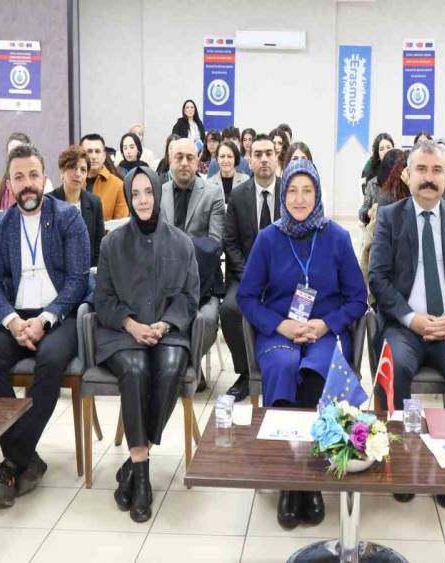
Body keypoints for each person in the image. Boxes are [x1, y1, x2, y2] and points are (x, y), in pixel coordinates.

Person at [238, 159, 366, 528]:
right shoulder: (268, 239)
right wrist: (281, 326)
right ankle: (288, 480)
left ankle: (310, 478)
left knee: (315, 371)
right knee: (283, 366)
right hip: (280, 331)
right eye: (292, 190)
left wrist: (325, 324)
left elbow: (358, 299)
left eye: (307, 190)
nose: (299, 198)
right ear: (283, 194)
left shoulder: (337, 237)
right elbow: (246, 297)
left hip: (326, 330)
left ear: (318, 193)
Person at [368, 140, 445, 510]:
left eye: (437, 171)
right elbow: (378, 278)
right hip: (405, 326)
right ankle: (400, 462)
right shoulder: (390, 216)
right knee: (395, 368)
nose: (429, 178)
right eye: (421, 169)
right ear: (407, 174)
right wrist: (412, 319)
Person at [0, 143, 90, 507]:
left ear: (45, 179)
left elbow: (78, 280)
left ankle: (11, 463)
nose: (27, 184)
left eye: (33, 175)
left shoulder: (68, 218)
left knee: (51, 361)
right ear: (9, 183)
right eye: (19, 177)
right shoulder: (0, 224)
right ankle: (27, 457)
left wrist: (44, 319)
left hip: (58, 316)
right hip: (14, 316)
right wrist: (12, 321)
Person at [95, 165, 199, 523]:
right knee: (136, 369)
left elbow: (190, 296)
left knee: (170, 367)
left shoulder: (181, 242)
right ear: (128, 196)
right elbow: (103, 300)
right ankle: (142, 478)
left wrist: (165, 323)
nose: (142, 200)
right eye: (135, 193)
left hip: (169, 328)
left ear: (158, 192)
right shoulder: (111, 244)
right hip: (123, 332)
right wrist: (132, 325)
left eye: (148, 192)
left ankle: (134, 463)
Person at [220, 134, 281, 402]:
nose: (264, 159)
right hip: (244, 275)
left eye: (269, 153)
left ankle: (282, 367)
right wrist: (250, 277)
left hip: (283, 277)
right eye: (258, 154)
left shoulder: (289, 192)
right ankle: (246, 372)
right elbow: (230, 242)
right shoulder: (238, 195)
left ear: (277, 158)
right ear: (249, 160)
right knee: (230, 309)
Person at [50, 145, 105, 267]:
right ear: (62, 171)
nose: (78, 174)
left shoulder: (94, 202)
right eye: (73, 168)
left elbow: (99, 246)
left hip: (87, 270)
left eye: (83, 170)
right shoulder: (49, 202)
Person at [161, 138, 224, 242]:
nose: (184, 163)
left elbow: (215, 242)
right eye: (179, 157)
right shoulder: (159, 193)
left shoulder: (213, 194)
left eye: (190, 158)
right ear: (170, 160)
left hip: (199, 253)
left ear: (197, 162)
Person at [80, 133, 129, 220]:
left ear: (104, 156)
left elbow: (121, 224)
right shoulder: (73, 182)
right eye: (89, 151)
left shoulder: (118, 185)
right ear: (80, 155)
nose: (93, 156)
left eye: (97, 151)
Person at [359, 148, 405, 226]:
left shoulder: (407, 182)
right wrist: (369, 213)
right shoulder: (373, 184)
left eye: (388, 147)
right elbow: (363, 210)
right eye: (381, 149)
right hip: (380, 226)